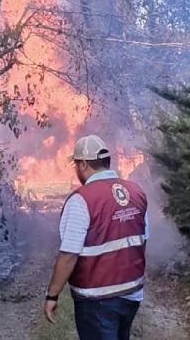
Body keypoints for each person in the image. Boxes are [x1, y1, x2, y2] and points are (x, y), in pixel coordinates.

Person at [43, 134, 148, 340]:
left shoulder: (81, 200)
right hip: (132, 294)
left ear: (82, 164)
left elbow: (69, 255)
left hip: (97, 300)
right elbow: (143, 239)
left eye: (76, 164)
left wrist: (52, 295)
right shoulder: (137, 192)